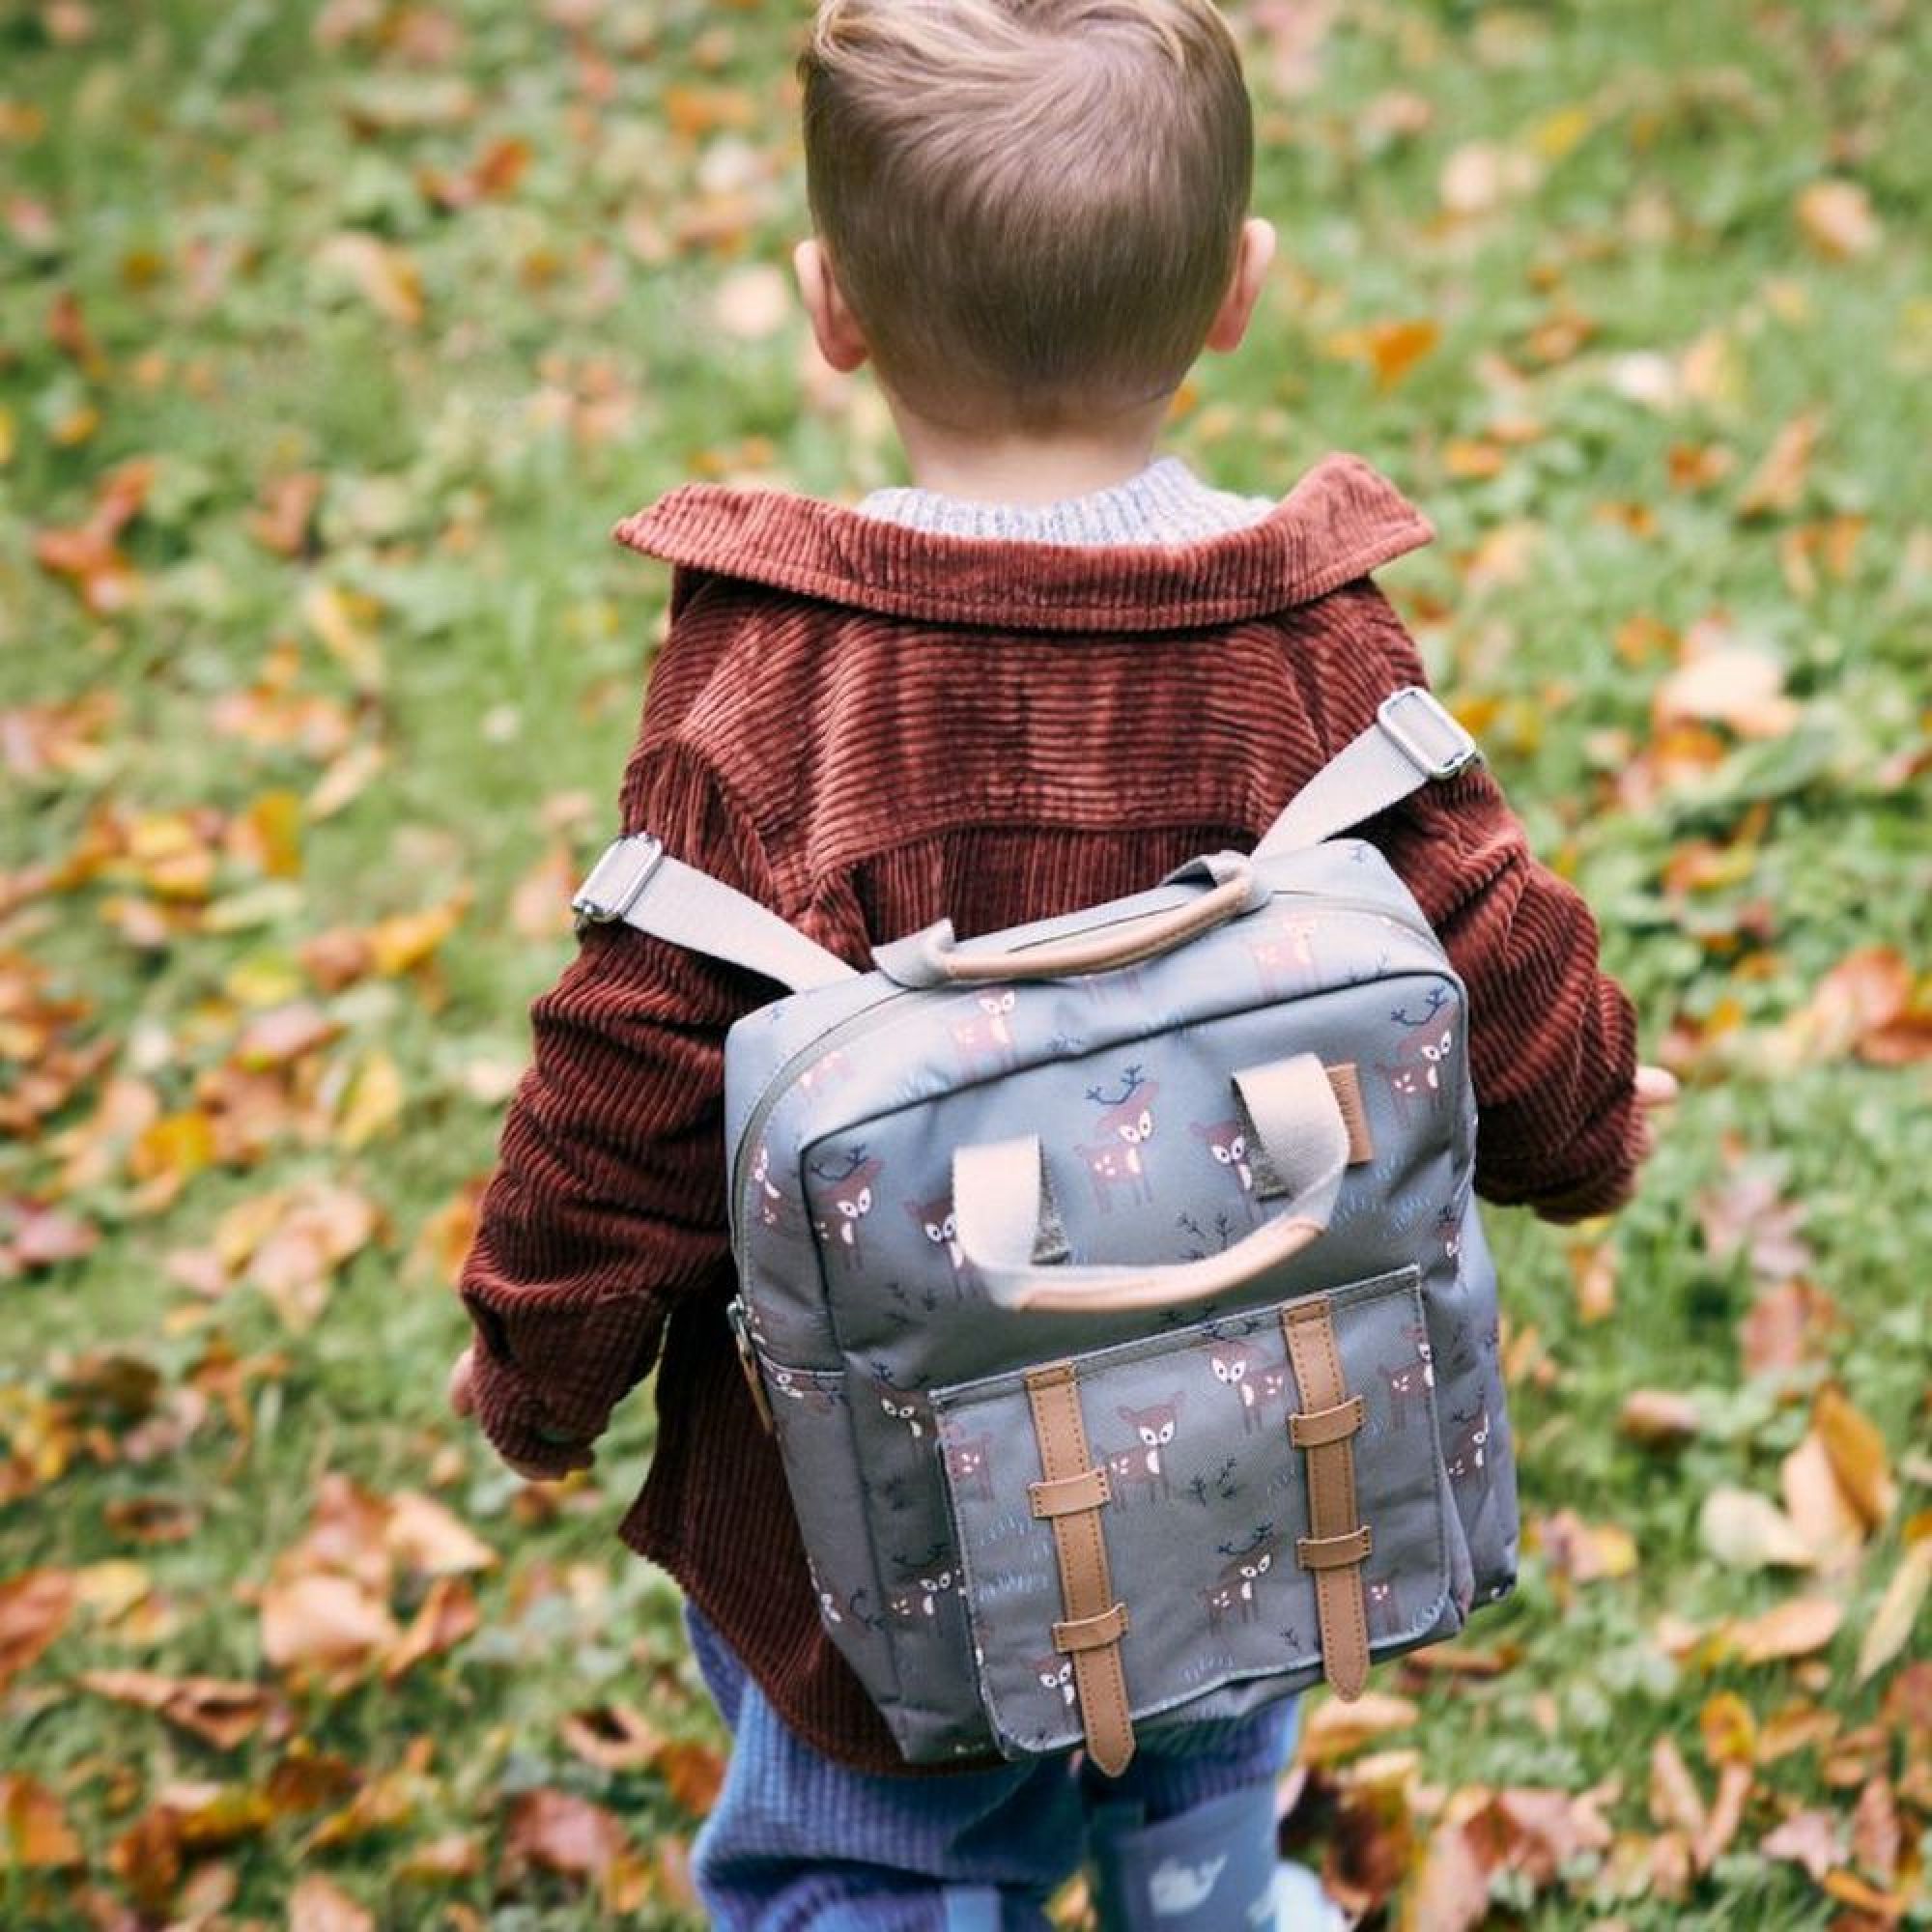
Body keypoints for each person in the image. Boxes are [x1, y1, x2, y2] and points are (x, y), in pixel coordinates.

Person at [446, 1, 1678, 1923]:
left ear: (827, 303)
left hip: (876, 1515)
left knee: (874, 1831)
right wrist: (1585, 1124)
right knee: (1208, 1677)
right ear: (1236, 293)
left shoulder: (772, 696)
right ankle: (1206, 1890)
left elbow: (624, 1071)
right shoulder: (1318, 649)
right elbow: (1488, 940)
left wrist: (541, 1363)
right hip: (1268, 1423)